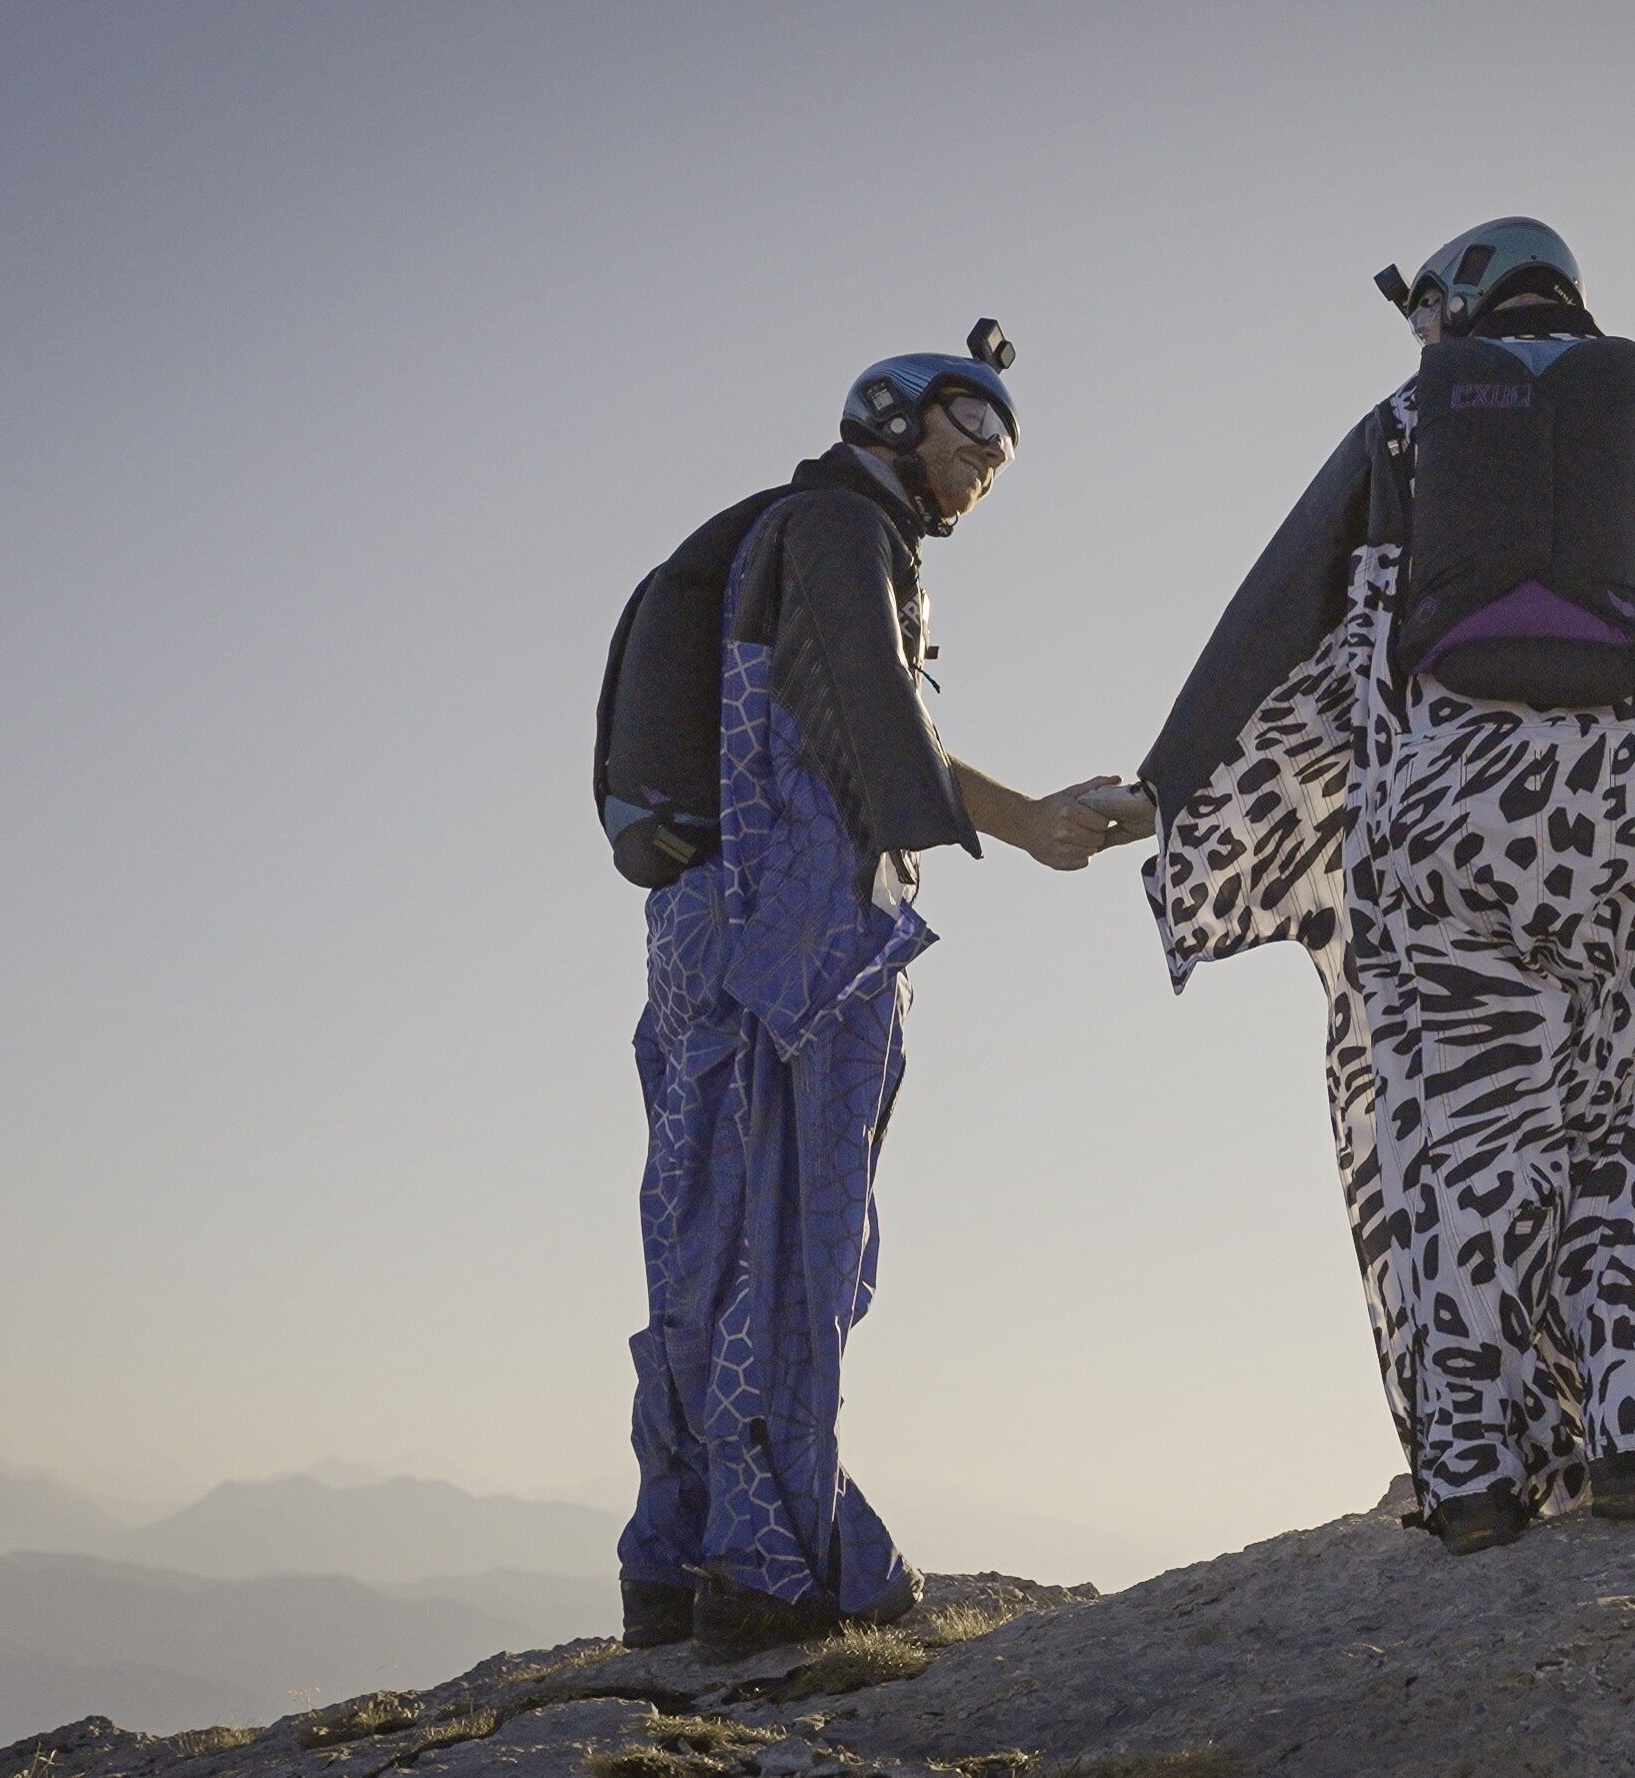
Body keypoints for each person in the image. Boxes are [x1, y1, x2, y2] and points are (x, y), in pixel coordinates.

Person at [1134, 219, 1635, 1556]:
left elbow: (1280, 614)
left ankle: (1477, 1466)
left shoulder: (1405, 427)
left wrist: (1171, 789)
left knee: (1463, 1148)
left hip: (1440, 838)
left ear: (1467, 298)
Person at [613, 330, 1127, 1656]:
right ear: (892, 418)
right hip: (805, 940)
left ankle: (673, 1551)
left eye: (1005, 448)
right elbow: (877, 718)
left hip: (700, 929)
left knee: (699, 1227)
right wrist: (1030, 823)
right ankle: (776, 1561)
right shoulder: (845, 532)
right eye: (972, 424)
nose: (989, 460)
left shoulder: (767, 538)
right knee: (798, 1237)